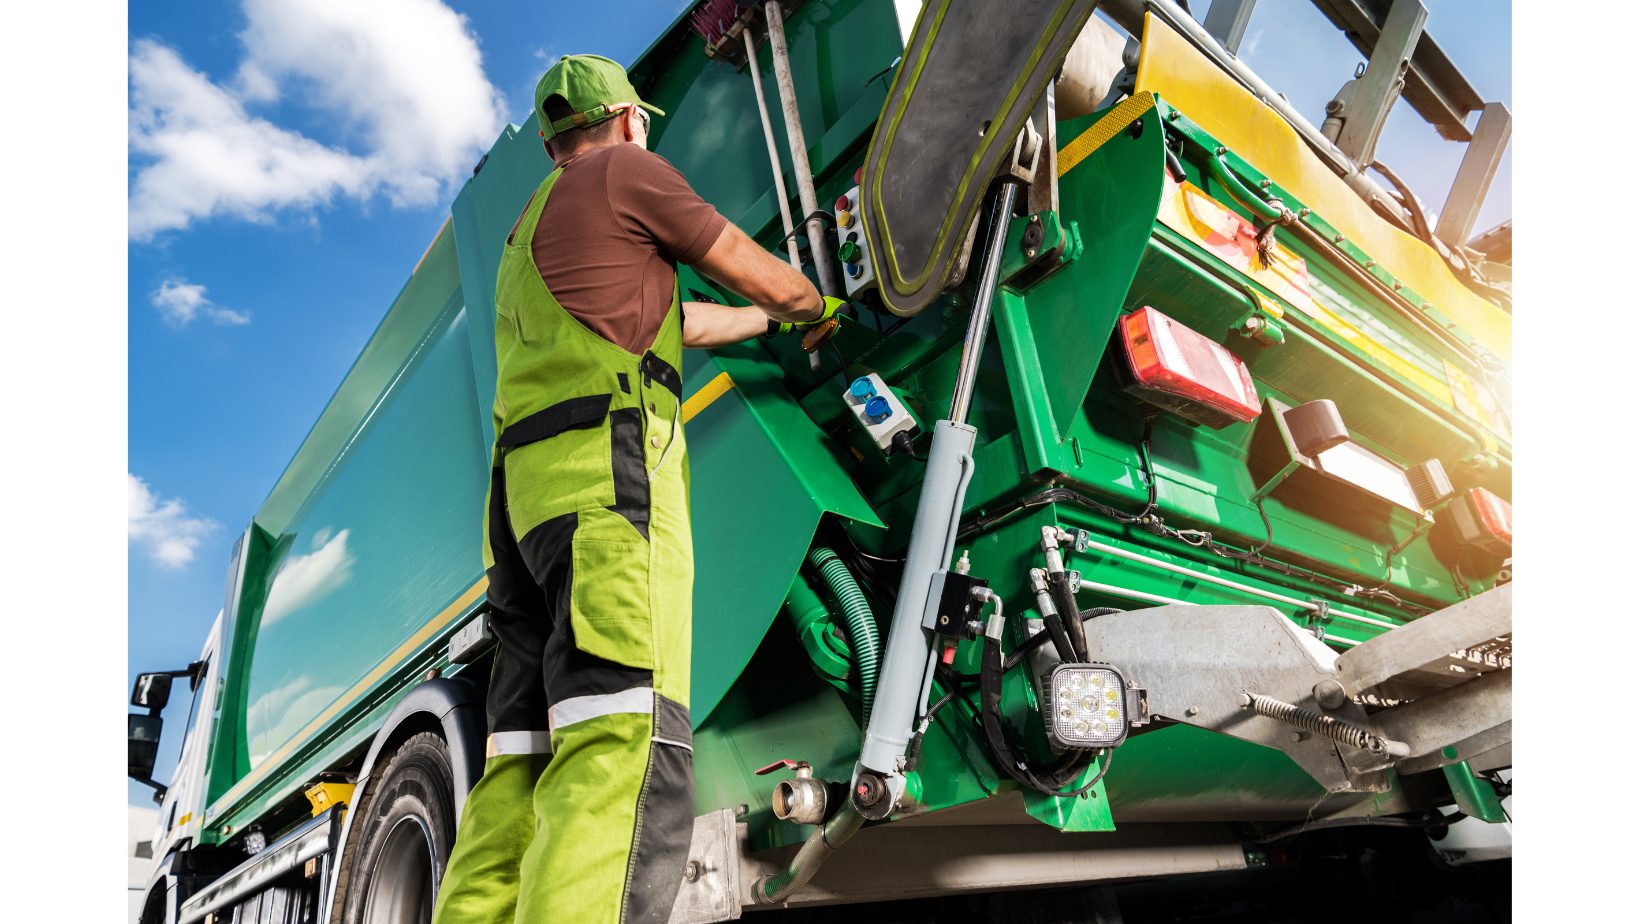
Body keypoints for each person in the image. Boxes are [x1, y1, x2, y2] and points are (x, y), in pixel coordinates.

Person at [431, 54, 841, 924]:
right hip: (606, 491)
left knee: (522, 761)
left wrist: (763, 324)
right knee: (623, 739)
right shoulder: (628, 173)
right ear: (622, 119)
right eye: (642, 121)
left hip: (520, 516)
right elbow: (744, 265)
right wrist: (813, 305)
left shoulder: (525, 234)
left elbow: (684, 320)